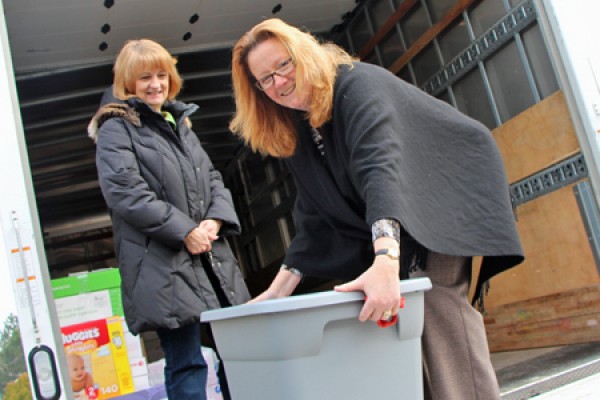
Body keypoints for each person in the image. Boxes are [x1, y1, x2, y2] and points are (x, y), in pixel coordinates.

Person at [229, 18, 524, 400]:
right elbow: (314, 212)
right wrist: (277, 292)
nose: (278, 83)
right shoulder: (298, 126)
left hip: (444, 188)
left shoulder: (355, 83)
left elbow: (379, 166)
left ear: (304, 54)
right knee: (398, 324)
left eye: (283, 65)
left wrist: (385, 258)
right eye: (264, 79)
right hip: (400, 208)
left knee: (435, 305)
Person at [88, 39, 250, 400]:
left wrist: (215, 222)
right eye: (145, 77)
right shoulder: (116, 128)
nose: (156, 84)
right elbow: (126, 193)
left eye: (162, 75)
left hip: (209, 258)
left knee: (239, 355)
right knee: (187, 362)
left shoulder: (180, 124)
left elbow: (212, 179)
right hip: (162, 266)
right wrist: (185, 231)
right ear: (127, 82)